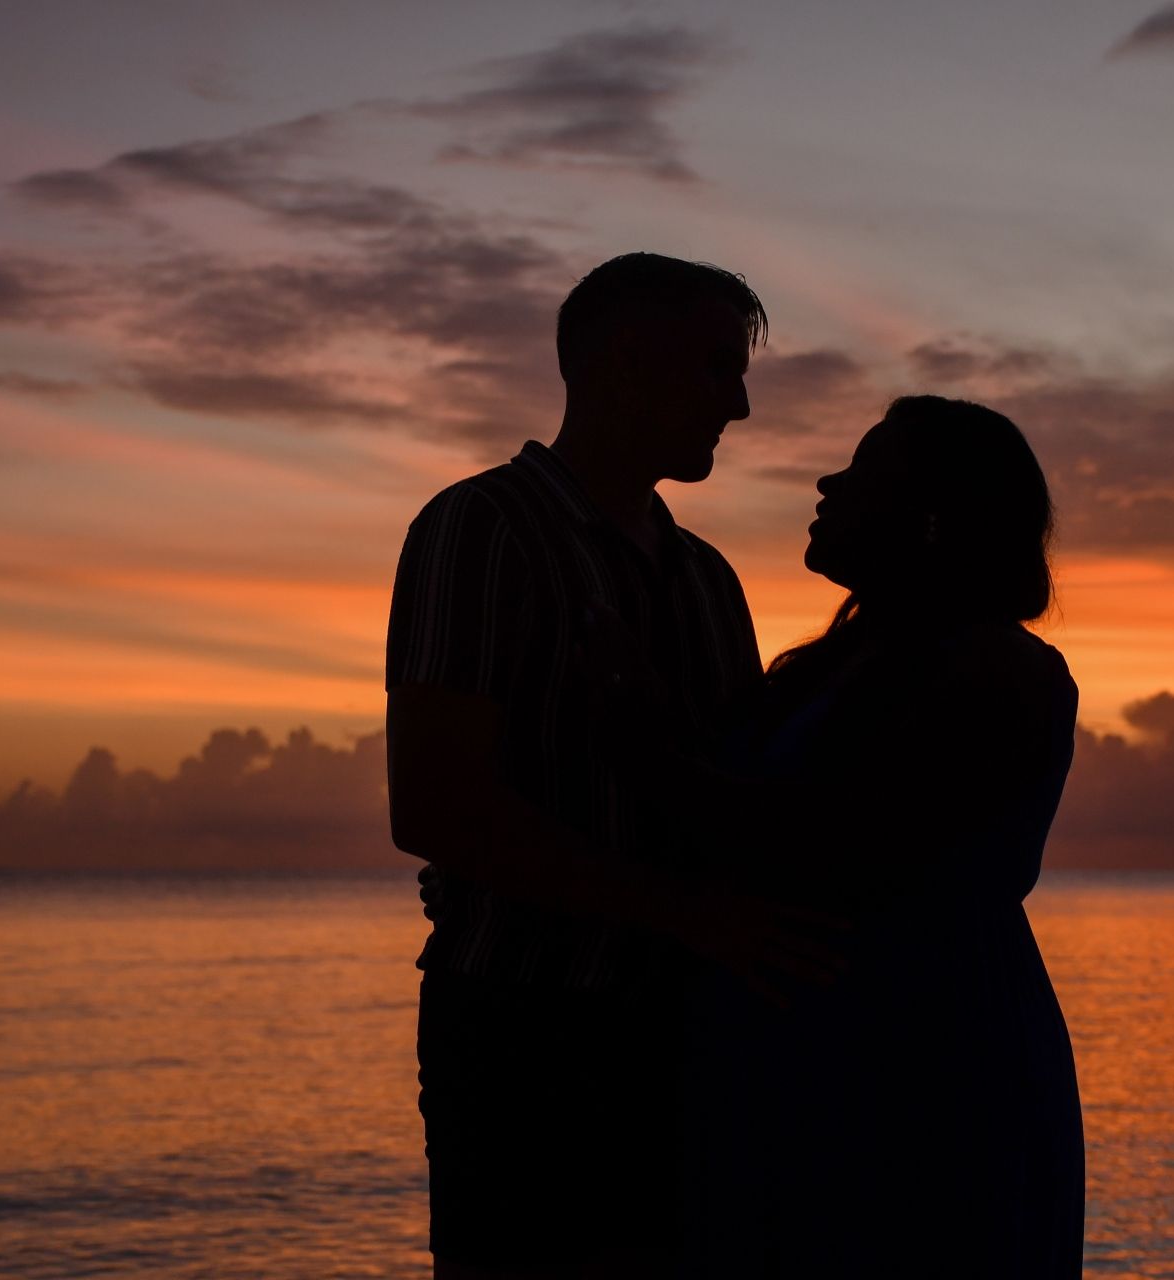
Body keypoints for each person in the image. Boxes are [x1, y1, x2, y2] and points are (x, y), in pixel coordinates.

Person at [387, 252, 818, 1279]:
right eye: (719, 368)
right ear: (626, 361)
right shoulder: (482, 529)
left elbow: (735, 802)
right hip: (529, 1039)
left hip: (687, 1039)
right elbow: (438, 805)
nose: (742, 405)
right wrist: (686, 913)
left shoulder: (704, 577)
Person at [590, 395, 1083, 1277]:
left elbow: (832, 841)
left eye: (862, 468)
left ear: (929, 515)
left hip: (917, 1062)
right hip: (808, 1059)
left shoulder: (1003, 672)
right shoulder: (835, 668)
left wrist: (643, 750)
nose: (827, 481)